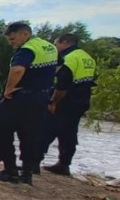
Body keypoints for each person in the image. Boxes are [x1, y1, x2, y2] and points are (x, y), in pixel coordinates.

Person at [0, 22, 58, 185]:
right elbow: (59, 67)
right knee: (30, 136)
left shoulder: (28, 49)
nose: (11, 42)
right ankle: (27, 173)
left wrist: (8, 89)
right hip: (41, 98)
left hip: (21, 97)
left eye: (13, 39)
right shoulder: (50, 47)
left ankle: (11, 171)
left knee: (1, 134)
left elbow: (18, 69)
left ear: (25, 34)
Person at [40, 33, 97, 176]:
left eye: (56, 43)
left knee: (45, 129)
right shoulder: (87, 58)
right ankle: (64, 164)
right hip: (81, 101)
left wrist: (53, 102)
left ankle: (33, 161)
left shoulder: (68, 58)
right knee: (69, 133)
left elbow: (62, 84)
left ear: (65, 42)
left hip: (65, 101)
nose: (55, 46)